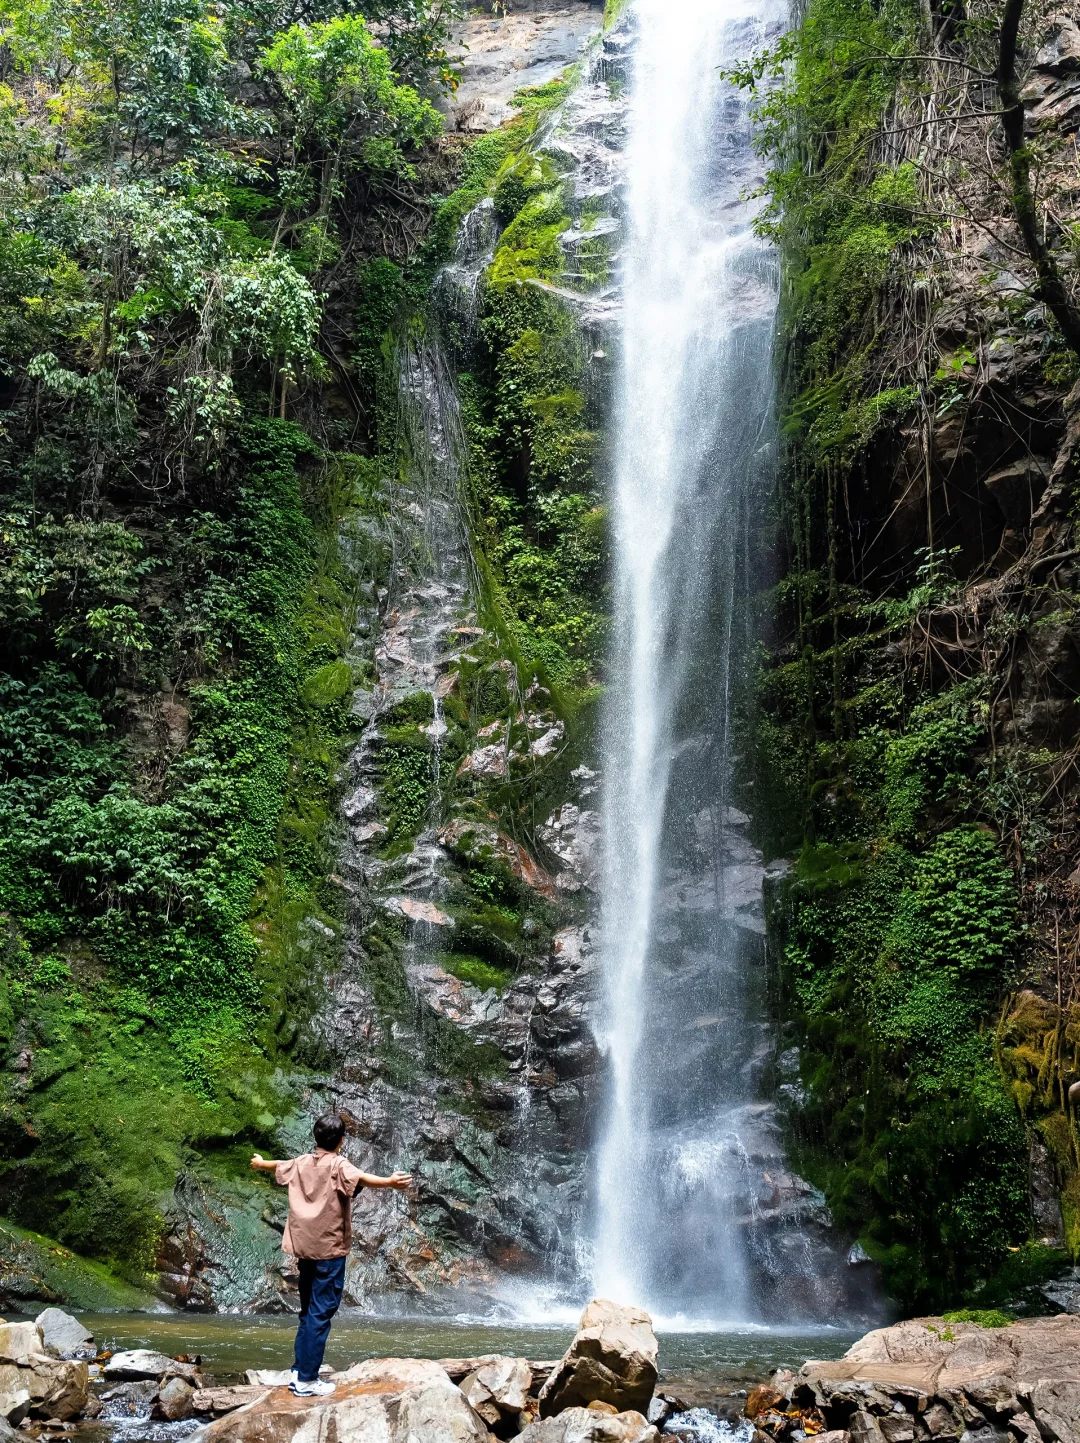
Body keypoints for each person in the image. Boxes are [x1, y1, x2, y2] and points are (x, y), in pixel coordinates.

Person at [251, 1112, 411, 1396]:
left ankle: (300, 1370)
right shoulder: (339, 1165)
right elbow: (362, 1177)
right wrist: (390, 1182)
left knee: (307, 1312)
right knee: (320, 1312)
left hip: (305, 1250)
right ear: (341, 1142)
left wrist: (260, 1163)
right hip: (329, 1251)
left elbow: (279, 1165)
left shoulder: (300, 1162)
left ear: (316, 1137)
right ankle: (307, 1381)